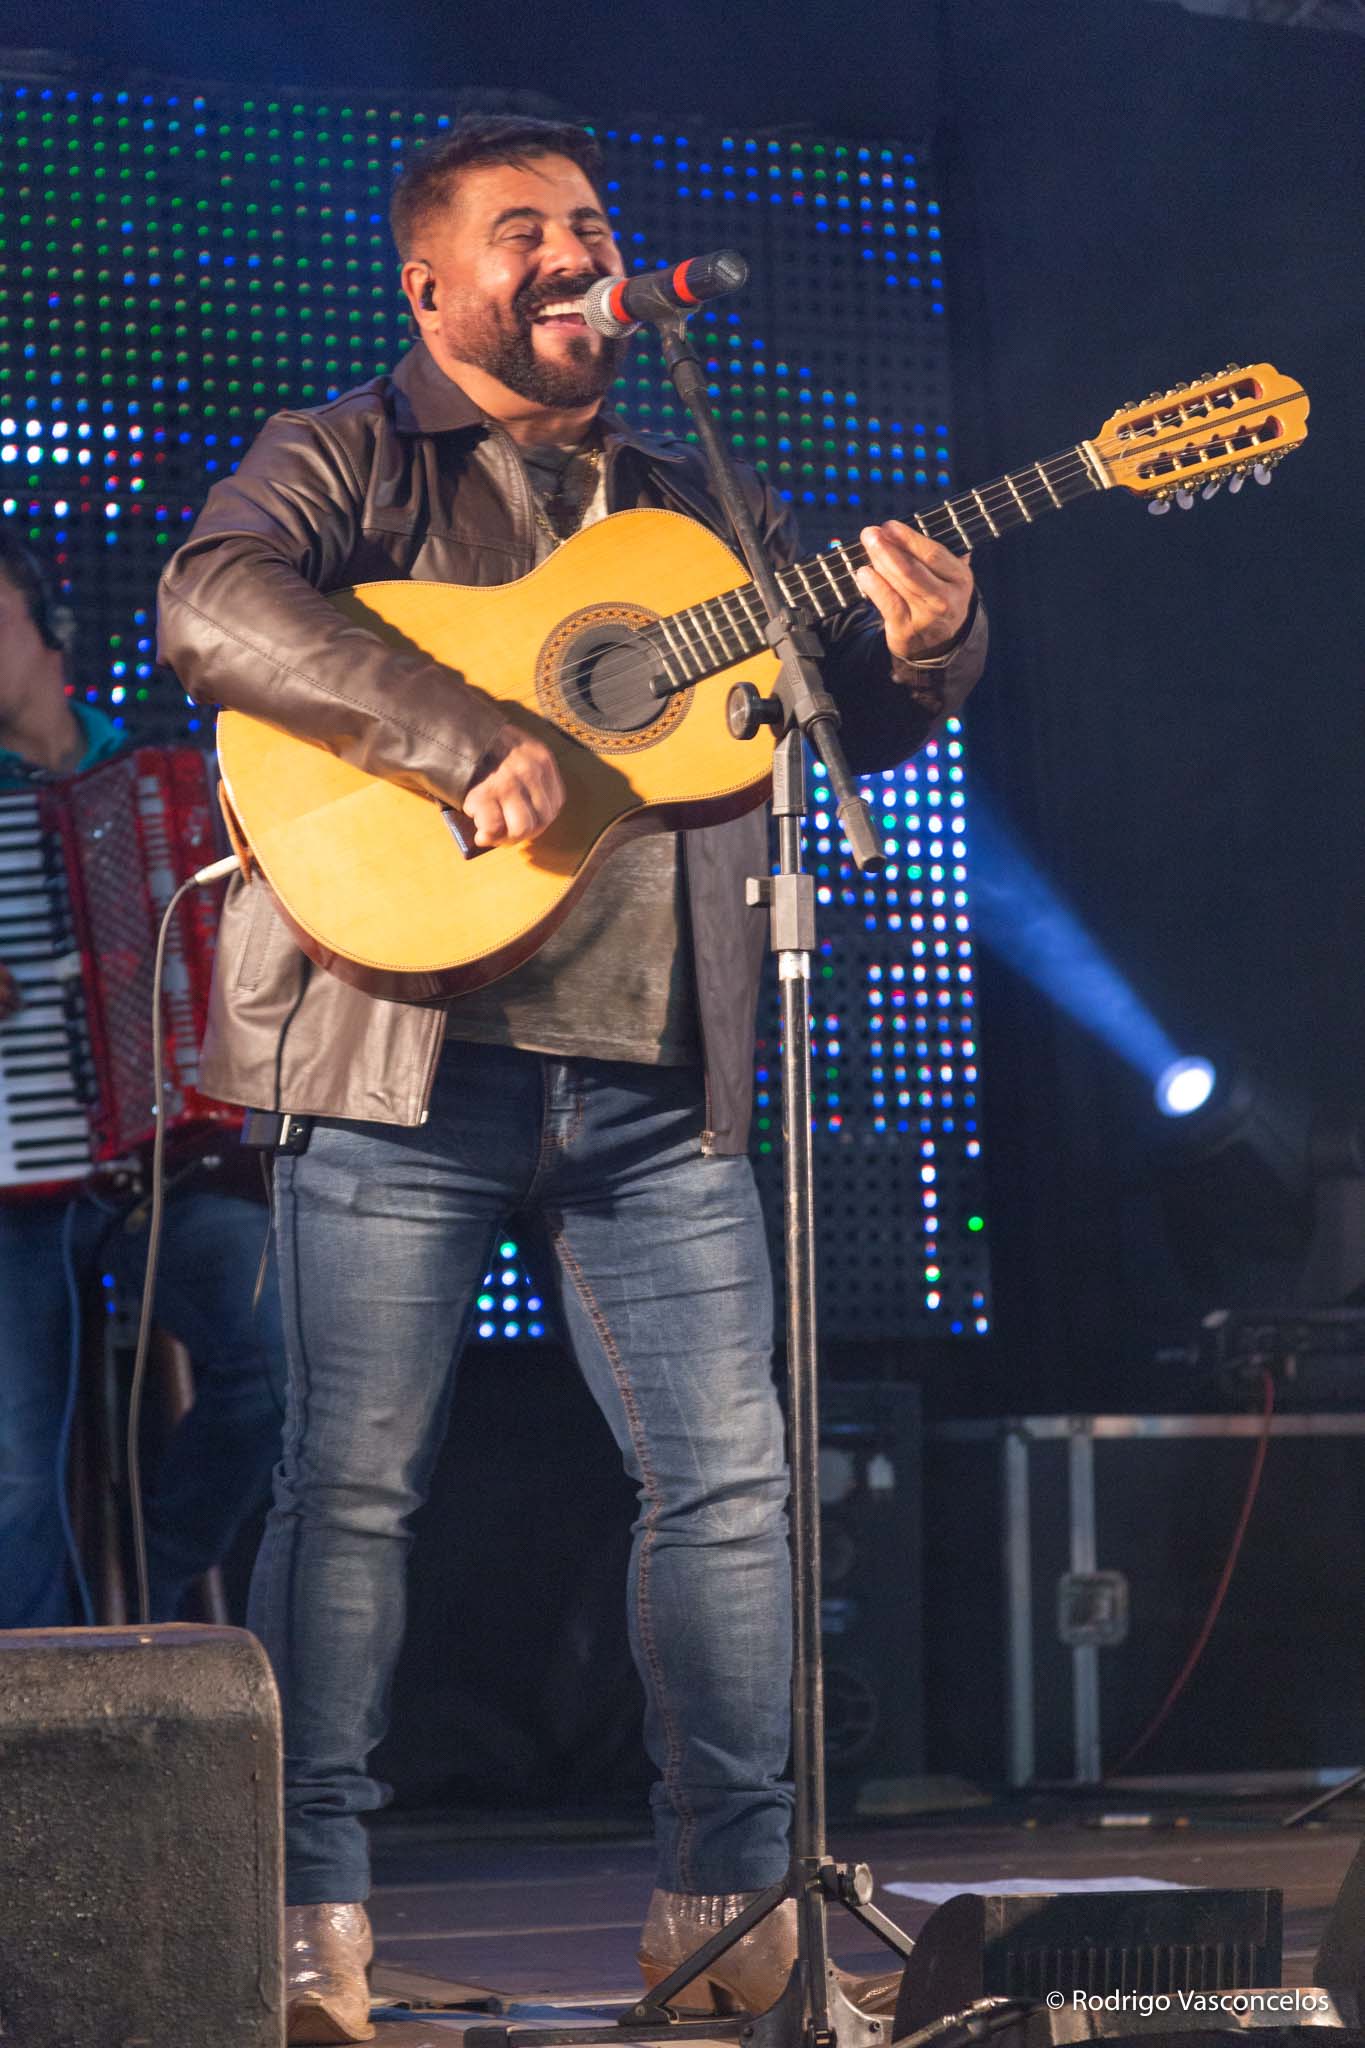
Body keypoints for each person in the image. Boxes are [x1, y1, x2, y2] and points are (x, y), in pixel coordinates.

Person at [158, 114, 986, 2046]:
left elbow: (810, 715)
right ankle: (307, 1920)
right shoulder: (350, 450)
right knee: (351, 1489)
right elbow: (213, 603)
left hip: (658, 1082)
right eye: (521, 226)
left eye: (592, 223)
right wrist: (459, 735)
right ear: (431, 283)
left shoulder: (701, 501)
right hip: (402, 1061)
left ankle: (730, 1909)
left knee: (730, 1487)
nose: (572, 251)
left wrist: (928, 654)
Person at [0, 529, 287, 1627]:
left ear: (49, 629)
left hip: (174, 1171)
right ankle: (45, 1690)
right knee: (13, 1476)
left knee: (283, 1361)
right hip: (13, 1193)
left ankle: (147, 1598)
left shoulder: (171, 779)